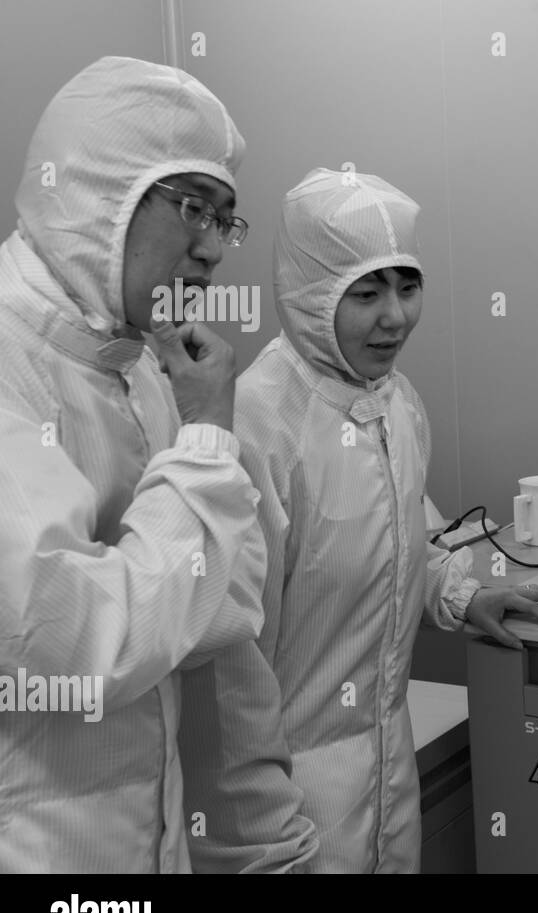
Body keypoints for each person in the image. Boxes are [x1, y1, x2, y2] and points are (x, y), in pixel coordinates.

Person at [0, 56, 314, 872]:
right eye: (193, 209)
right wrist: (206, 440)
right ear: (98, 192)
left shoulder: (138, 365)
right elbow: (80, 644)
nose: (212, 251)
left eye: (226, 221)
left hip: (152, 835)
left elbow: (218, 613)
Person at [226, 168, 538, 871]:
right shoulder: (258, 423)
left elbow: (409, 538)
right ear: (310, 292)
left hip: (387, 774)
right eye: (366, 293)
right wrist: (259, 833)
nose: (396, 317)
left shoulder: (395, 402)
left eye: (408, 287)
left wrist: (465, 595)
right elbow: (232, 665)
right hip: (291, 801)